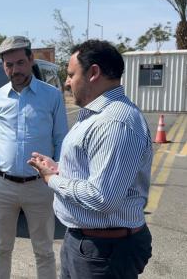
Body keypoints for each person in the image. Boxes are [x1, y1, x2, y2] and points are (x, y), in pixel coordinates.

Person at [28, 40, 153, 279]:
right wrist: (60, 170)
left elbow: (103, 198)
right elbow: (92, 170)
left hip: (104, 249)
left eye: (71, 74)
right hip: (89, 241)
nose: (66, 82)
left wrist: (53, 180)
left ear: (93, 73)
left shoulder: (115, 122)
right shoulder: (98, 115)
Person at [0, 36, 68, 279]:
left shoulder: (51, 96)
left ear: (31, 59)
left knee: (43, 250)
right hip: (3, 185)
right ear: (3, 66)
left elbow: (61, 138)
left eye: (20, 62)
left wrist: (56, 178)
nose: (15, 70)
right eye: (9, 65)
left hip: (39, 186)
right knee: (1, 247)